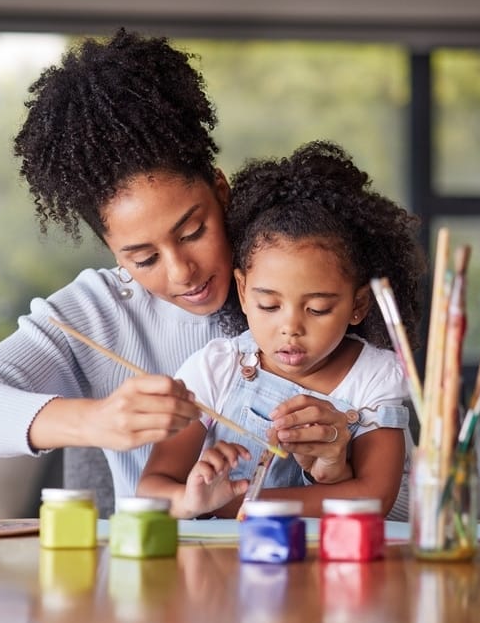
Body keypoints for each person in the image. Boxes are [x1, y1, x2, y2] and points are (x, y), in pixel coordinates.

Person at [0, 29, 354, 508]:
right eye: (143, 258)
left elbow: (399, 505)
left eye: (193, 232)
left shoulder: (304, 280)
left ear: (220, 190)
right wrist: (94, 420)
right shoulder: (99, 312)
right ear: (112, 251)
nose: (182, 271)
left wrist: (340, 456)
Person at [138, 141, 426, 520]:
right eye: (269, 305)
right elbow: (152, 490)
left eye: (318, 308)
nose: (290, 327)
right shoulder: (217, 370)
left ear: (358, 306)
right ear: (243, 292)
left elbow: (372, 498)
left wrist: (237, 503)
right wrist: (193, 500)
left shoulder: (373, 376)